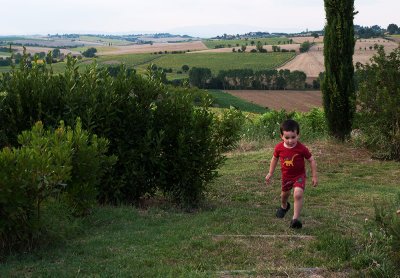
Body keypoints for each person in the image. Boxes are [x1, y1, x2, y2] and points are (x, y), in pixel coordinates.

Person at [265, 119, 318, 229]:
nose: (290, 140)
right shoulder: (279, 148)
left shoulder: (301, 148)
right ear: (282, 137)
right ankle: (284, 206)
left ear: (298, 135)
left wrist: (314, 176)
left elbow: (311, 160)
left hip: (299, 176)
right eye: (287, 138)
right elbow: (274, 159)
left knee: (298, 194)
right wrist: (270, 173)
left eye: (293, 137)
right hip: (286, 177)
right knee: (284, 195)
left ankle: (295, 219)